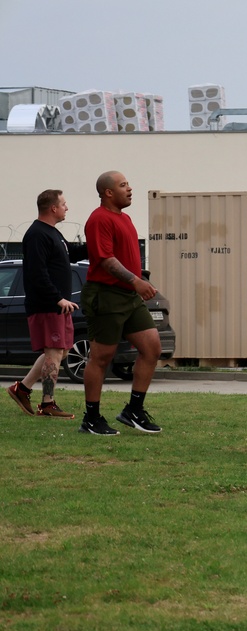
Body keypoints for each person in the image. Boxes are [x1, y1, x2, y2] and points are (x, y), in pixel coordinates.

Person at [79, 171, 162, 436]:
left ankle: (133, 411)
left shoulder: (124, 218)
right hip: (106, 294)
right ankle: (91, 418)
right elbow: (106, 260)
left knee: (151, 348)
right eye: (123, 185)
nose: (130, 188)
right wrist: (135, 281)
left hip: (128, 296)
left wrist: (138, 281)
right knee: (101, 357)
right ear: (108, 193)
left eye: (128, 183)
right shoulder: (98, 219)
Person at [7, 189, 87, 419]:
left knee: (60, 352)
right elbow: (36, 273)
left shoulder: (53, 234)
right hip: (47, 305)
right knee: (53, 352)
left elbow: (70, 254)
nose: (67, 208)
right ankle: (47, 404)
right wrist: (57, 298)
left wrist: (97, 246)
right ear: (53, 208)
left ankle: (21, 389)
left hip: (59, 306)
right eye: (64, 204)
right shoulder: (36, 235)